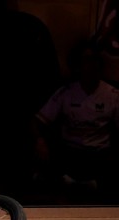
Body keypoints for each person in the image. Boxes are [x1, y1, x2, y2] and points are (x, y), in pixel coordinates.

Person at [32, 40, 119, 200]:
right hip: (70, 152)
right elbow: (39, 120)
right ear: (78, 66)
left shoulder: (112, 95)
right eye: (87, 60)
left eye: (95, 60)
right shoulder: (66, 92)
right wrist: (40, 141)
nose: (92, 65)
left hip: (99, 154)